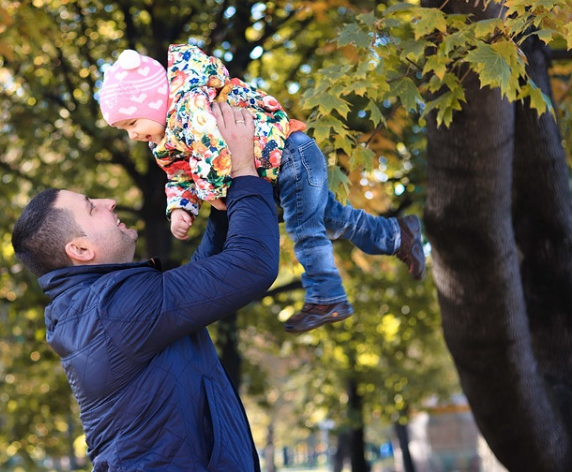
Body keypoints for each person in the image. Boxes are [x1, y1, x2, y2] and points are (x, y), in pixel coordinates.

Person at [11, 103, 277, 472]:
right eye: (91, 207)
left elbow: (202, 285)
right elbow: (252, 265)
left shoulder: (99, 308)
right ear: (81, 250)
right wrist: (246, 169)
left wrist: (221, 203)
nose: (109, 202)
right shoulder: (112, 311)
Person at [97, 44, 426, 334]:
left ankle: (327, 295)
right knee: (333, 219)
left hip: (291, 156)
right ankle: (398, 235)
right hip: (276, 171)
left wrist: (211, 196)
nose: (132, 135)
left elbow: (213, 150)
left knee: (306, 228)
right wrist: (182, 207)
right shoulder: (165, 140)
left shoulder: (189, 108)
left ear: (154, 104)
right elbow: (180, 176)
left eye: (132, 124)